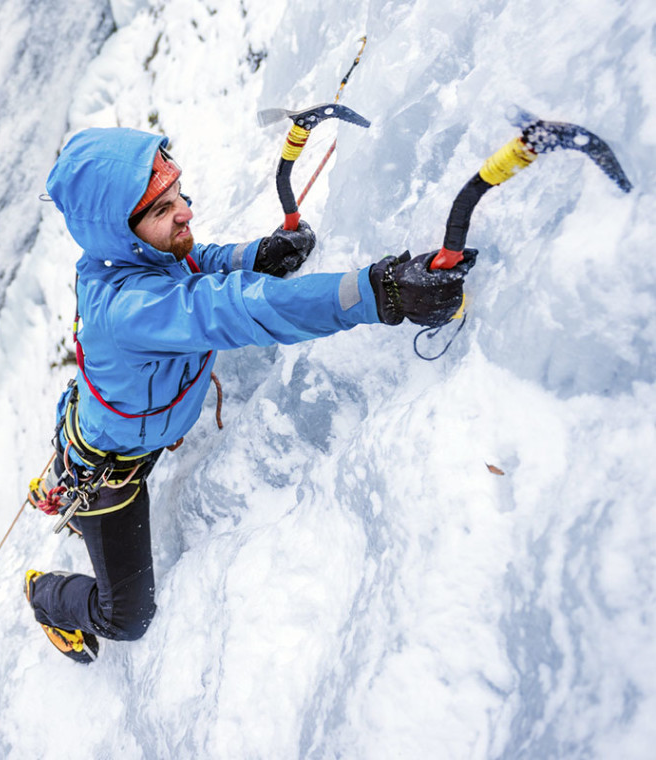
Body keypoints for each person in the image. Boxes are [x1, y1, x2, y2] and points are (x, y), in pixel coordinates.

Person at [24, 126, 475, 663]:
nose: (186, 212)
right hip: (108, 470)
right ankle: (43, 595)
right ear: (122, 231)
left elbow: (197, 263)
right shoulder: (132, 310)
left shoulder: (133, 252)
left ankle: (59, 488)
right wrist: (381, 291)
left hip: (108, 429)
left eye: (179, 194)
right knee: (128, 617)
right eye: (163, 208)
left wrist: (256, 255)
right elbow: (240, 309)